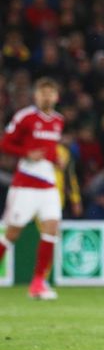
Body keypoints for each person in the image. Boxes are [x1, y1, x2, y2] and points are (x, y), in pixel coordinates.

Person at [0, 77, 65, 300]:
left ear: (56, 97)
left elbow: (50, 150)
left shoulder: (58, 120)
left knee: (51, 229)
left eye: (50, 93)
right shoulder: (25, 117)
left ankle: (37, 283)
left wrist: (57, 160)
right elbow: (5, 143)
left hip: (48, 184)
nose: (46, 96)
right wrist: (26, 153)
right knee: (12, 234)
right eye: (42, 92)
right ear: (35, 95)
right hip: (25, 184)